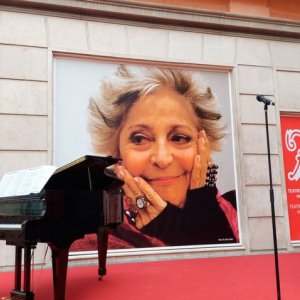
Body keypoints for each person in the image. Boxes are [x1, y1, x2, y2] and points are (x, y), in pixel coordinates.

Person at [88, 65, 239, 249]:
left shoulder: (239, 208)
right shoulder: (94, 239)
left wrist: (201, 221)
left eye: (179, 138)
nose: (162, 158)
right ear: (116, 153)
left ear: (205, 145)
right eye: (139, 138)